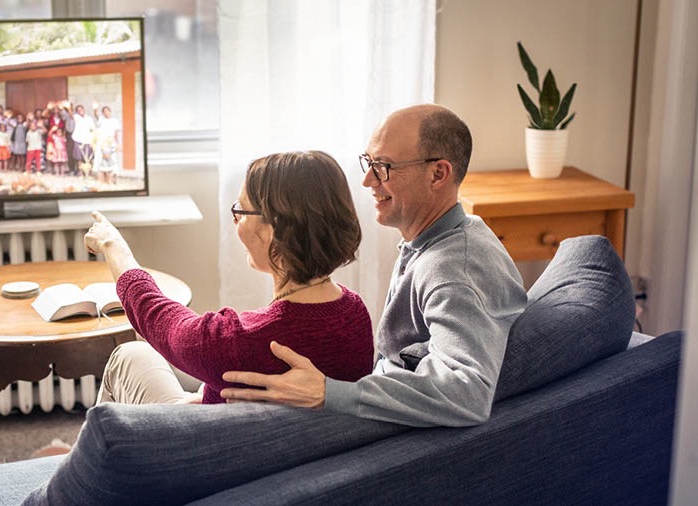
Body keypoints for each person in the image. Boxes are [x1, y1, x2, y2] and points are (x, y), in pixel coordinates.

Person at [221, 104, 528, 427]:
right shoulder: (449, 236)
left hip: (362, 431)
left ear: (438, 174)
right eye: (368, 162)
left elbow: (468, 392)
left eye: (383, 167)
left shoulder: (452, 269)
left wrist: (329, 393)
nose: (368, 180)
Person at [84, 150, 374, 405]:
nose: (236, 221)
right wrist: (211, 397)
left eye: (241, 211)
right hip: (275, 450)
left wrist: (115, 248)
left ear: (274, 230)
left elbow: (162, 321)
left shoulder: (244, 341)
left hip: (206, 454)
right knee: (136, 354)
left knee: (125, 358)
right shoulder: (355, 314)